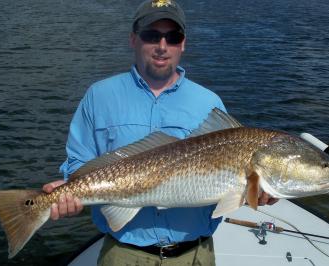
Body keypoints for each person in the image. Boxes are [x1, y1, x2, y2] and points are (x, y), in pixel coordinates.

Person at [43, 1, 277, 265]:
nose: (162, 46)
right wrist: (68, 190)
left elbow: (225, 183)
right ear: (133, 39)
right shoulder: (99, 96)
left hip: (195, 255)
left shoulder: (209, 103)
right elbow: (77, 164)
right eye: (152, 35)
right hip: (123, 254)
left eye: (172, 37)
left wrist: (256, 191)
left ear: (183, 43)